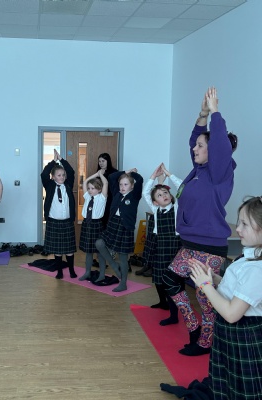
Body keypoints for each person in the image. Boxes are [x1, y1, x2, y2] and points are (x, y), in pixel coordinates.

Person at [162, 87, 238, 356]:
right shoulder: (199, 170)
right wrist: (202, 115)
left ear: (214, 151)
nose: (194, 148)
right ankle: (194, 328)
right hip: (190, 243)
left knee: (205, 298)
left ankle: (206, 342)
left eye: (200, 146)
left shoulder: (220, 172)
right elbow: (195, 139)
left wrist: (215, 111)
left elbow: (219, 145)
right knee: (170, 279)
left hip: (208, 246)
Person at [189, 196, 262, 399]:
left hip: (243, 333)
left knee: (242, 386)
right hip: (231, 333)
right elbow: (236, 290)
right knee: (228, 378)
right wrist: (213, 278)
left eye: (245, 224)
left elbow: (231, 314)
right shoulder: (249, 256)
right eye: (239, 222)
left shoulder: (257, 270)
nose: (237, 229)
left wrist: (205, 285)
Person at [140, 163, 182, 326]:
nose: (164, 195)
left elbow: (183, 188)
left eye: (165, 192)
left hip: (173, 246)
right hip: (160, 245)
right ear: (155, 202)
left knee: (172, 281)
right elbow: (145, 192)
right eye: (159, 195)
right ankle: (162, 302)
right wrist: (153, 176)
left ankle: (174, 314)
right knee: (158, 278)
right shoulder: (156, 210)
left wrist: (169, 174)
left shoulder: (176, 207)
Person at [95, 168, 143, 292]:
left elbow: (140, 179)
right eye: (121, 184)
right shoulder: (117, 193)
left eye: (126, 184)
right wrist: (125, 171)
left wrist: (131, 174)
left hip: (125, 227)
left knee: (123, 257)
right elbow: (111, 177)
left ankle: (123, 283)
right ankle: (113, 266)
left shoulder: (135, 195)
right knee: (99, 243)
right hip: (113, 224)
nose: (122, 187)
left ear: (132, 186)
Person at [41, 149, 77, 279]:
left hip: (67, 222)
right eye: (59, 175)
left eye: (63, 175)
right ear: (53, 177)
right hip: (54, 221)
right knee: (57, 250)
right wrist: (53, 161)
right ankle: (59, 271)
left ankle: (71, 270)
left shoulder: (68, 184)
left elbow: (71, 171)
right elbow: (44, 174)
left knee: (69, 249)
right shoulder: (49, 185)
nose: (61, 177)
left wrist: (61, 160)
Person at [78, 170, 108, 281]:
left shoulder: (102, 198)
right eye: (89, 188)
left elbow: (105, 183)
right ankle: (87, 272)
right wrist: (96, 174)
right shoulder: (87, 196)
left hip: (97, 225)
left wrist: (101, 175)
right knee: (88, 251)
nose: (90, 190)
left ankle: (102, 274)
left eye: (93, 188)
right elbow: (85, 181)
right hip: (87, 224)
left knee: (99, 252)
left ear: (99, 189)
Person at [97, 153, 118, 229]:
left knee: (109, 220)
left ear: (108, 161)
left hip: (111, 199)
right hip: (100, 199)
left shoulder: (115, 172)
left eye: (103, 161)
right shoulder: (98, 173)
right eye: (99, 161)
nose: (101, 163)